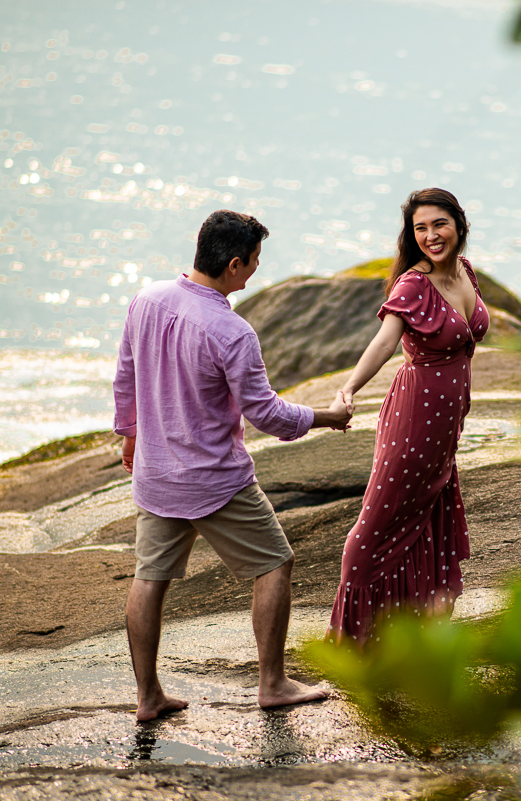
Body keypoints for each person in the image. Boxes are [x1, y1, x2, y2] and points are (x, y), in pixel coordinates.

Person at [113, 209, 352, 721]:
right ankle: (273, 683)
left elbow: (125, 374)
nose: (257, 271)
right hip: (215, 481)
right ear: (235, 264)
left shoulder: (147, 299)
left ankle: (148, 696)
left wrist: (129, 435)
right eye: (256, 262)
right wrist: (327, 417)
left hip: (156, 475)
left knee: (149, 576)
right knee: (274, 563)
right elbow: (265, 413)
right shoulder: (231, 330)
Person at [326, 188, 490, 645]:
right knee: (378, 522)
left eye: (439, 224)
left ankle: (413, 629)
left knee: (427, 514)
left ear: (459, 224)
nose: (431, 236)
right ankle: (351, 638)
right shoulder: (413, 285)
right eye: (421, 228)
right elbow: (383, 343)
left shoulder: (465, 273)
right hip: (415, 419)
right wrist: (349, 387)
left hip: (445, 426)